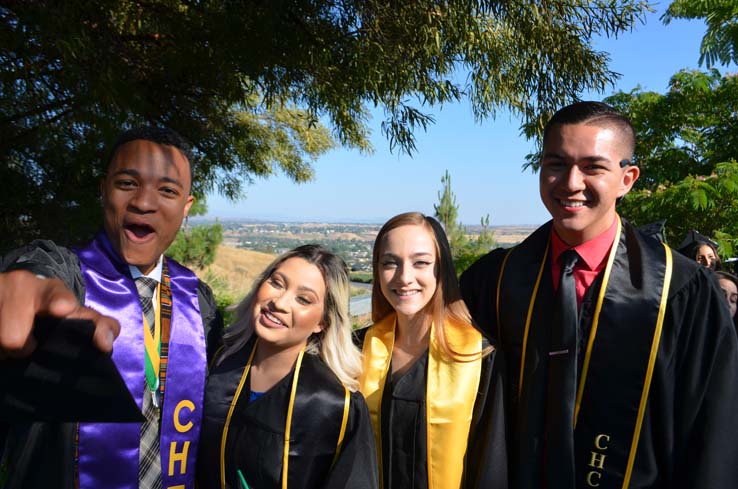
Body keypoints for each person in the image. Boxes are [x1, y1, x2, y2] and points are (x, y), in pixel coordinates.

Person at [461, 101, 738, 489]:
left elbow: (713, 439)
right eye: (556, 164)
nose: (571, 182)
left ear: (628, 179)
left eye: (593, 167)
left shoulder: (683, 293)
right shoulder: (495, 279)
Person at [0, 127, 222, 489]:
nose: (144, 203)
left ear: (186, 207)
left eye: (167, 190)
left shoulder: (199, 302)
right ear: (103, 189)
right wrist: (25, 283)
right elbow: (33, 274)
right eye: (127, 183)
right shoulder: (70, 279)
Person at [197, 244, 378, 489]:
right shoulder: (215, 364)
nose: (279, 303)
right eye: (277, 283)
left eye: (303, 299)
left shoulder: (335, 405)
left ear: (322, 322)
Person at [356, 212, 507, 489]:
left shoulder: (479, 357)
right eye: (390, 263)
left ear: (442, 269)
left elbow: (491, 470)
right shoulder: (357, 349)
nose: (404, 277)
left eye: (421, 263)